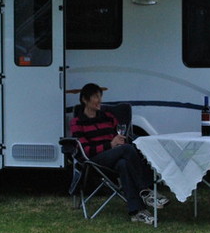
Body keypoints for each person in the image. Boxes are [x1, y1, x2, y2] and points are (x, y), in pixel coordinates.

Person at [69, 83, 167, 224]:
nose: (100, 101)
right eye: (96, 97)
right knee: (126, 150)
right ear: (85, 99)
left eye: (100, 97)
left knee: (123, 164)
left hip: (115, 157)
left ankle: (136, 212)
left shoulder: (108, 116)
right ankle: (146, 190)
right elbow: (86, 151)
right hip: (95, 160)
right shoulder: (77, 122)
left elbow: (119, 136)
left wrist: (120, 141)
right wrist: (110, 144)